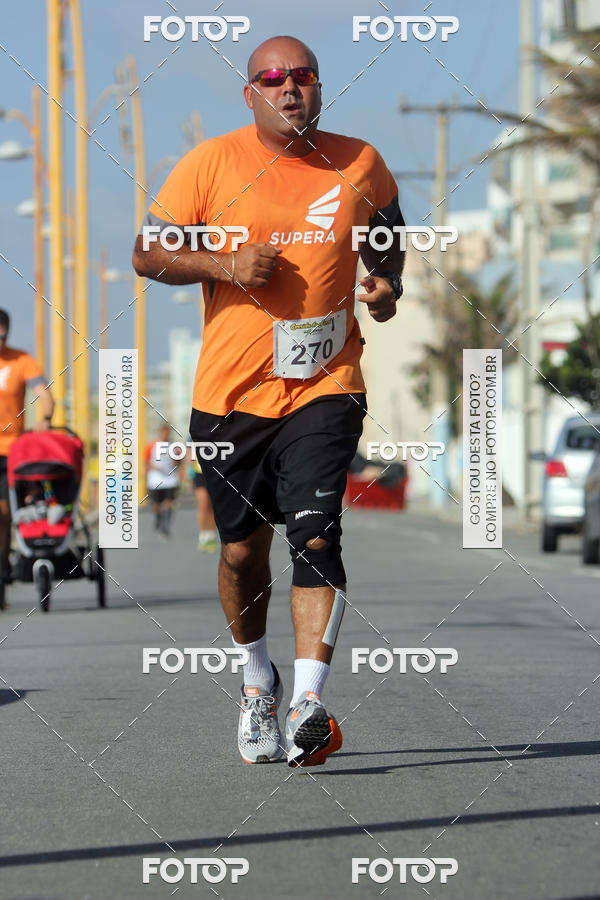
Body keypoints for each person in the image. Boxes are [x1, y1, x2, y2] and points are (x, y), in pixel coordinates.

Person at [132, 35, 405, 766]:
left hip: (326, 384)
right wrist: (224, 263)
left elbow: (388, 236)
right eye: (273, 78)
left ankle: (309, 701)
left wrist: (385, 285)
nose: (290, 88)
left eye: (302, 76)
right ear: (250, 93)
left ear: (319, 87)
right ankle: (258, 681)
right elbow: (147, 252)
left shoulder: (361, 162)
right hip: (230, 396)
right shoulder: (209, 164)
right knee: (240, 554)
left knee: (316, 535)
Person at [0, 309, 54, 582]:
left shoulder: (21, 360)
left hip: (10, 449)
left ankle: (3, 567)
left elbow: (43, 392)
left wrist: (46, 417)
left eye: (2, 337)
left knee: (4, 511)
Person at [144, 425, 181, 538]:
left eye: (167, 433)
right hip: (155, 479)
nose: (165, 435)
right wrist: (155, 468)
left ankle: (166, 525)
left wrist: (176, 461)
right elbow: (146, 462)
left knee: (169, 502)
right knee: (156, 504)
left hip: (170, 479)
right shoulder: (152, 446)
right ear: (160, 433)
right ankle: (158, 517)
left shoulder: (174, 447)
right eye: (163, 433)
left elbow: (180, 461)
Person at [188, 450, 218, 552]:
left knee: (212, 505)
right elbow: (189, 451)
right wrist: (189, 469)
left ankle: (211, 536)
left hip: (215, 472)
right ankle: (203, 536)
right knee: (202, 504)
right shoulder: (192, 439)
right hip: (199, 472)